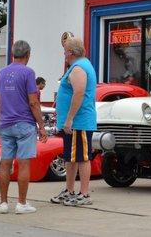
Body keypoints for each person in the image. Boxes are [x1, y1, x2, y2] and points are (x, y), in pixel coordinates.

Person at [0, 40, 47, 214]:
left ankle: (3, 203)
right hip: (24, 123)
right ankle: (21, 203)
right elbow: (33, 102)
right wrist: (41, 126)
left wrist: (2, 117)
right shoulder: (28, 73)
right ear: (28, 54)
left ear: (13, 54)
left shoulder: (1, 73)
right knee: (23, 164)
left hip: (6, 123)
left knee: (5, 163)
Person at [50, 37, 97, 207]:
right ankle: (69, 190)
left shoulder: (79, 68)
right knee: (70, 158)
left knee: (83, 158)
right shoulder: (78, 66)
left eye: (64, 51)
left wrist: (69, 119)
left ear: (70, 52)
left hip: (79, 122)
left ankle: (84, 194)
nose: (63, 54)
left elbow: (79, 93)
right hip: (72, 124)